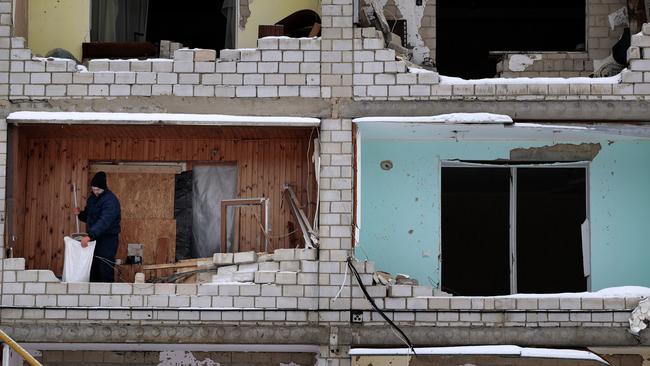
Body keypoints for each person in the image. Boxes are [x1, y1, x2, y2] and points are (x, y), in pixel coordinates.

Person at [72, 171, 121, 282]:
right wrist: (80, 214)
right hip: (94, 239)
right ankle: (94, 297)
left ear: (103, 188)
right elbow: (90, 216)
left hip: (107, 240)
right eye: (93, 189)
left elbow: (104, 221)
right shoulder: (92, 199)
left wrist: (90, 235)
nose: (95, 192)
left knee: (105, 270)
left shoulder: (110, 201)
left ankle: (107, 297)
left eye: (98, 190)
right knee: (92, 269)